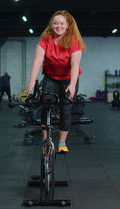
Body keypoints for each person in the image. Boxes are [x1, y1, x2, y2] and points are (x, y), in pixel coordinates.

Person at [24, 10, 86, 154]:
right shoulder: (45, 40)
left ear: (68, 26)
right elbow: (38, 60)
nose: (58, 26)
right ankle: (46, 142)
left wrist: (72, 84)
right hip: (51, 77)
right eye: (56, 23)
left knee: (66, 109)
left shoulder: (73, 42)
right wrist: (32, 81)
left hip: (69, 78)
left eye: (61, 24)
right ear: (51, 25)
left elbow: (75, 65)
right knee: (46, 104)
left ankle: (62, 142)